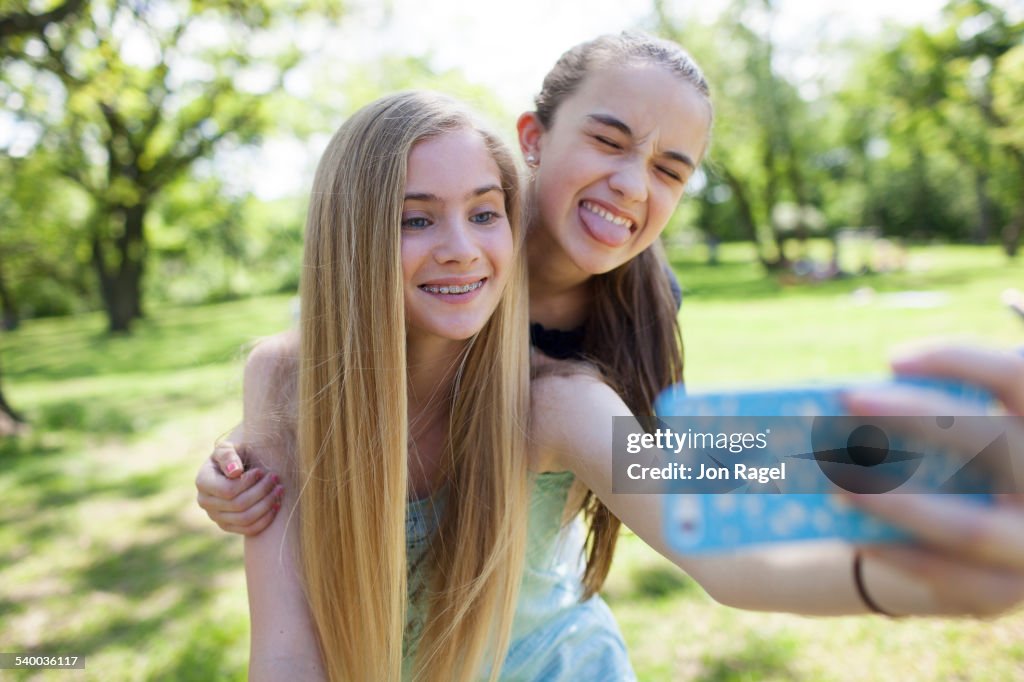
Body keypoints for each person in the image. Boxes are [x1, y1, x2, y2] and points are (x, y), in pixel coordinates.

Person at [206, 31, 1024, 676]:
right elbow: (285, 643)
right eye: (417, 219)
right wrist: (237, 479)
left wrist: (952, 474)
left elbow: (707, 484)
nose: (633, 186)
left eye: (670, 170)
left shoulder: (566, 387)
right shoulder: (293, 370)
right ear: (532, 140)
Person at [245, 91, 534, 681]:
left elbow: (669, 478)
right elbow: (284, 653)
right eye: (416, 220)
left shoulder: (542, 395)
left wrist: (778, 456)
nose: (461, 250)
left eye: (484, 214)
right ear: (352, 239)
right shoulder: (282, 380)